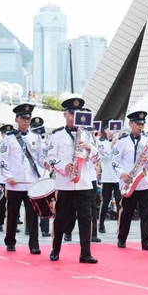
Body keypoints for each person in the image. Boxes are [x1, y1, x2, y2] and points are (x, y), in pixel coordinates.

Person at [46, 97, 98, 263]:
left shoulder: (87, 134)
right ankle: (55, 249)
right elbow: (50, 158)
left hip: (84, 182)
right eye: (71, 114)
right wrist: (63, 166)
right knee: (60, 217)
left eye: (77, 114)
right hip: (64, 183)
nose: (74, 117)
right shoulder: (57, 135)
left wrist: (89, 148)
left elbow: (97, 156)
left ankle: (86, 253)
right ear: (65, 115)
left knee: (85, 218)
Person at [0, 104, 47, 254]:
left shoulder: (35, 137)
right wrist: (8, 176)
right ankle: (10, 241)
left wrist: (44, 163)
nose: (26, 121)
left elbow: (39, 157)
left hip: (31, 182)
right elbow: (2, 159)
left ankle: (34, 244)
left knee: (33, 214)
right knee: (12, 213)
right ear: (16, 120)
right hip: (15, 183)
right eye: (23, 119)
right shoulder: (9, 138)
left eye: (28, 118)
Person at [111, 111, 148, 250]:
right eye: (137, 124)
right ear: (130, 124)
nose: (140, 127)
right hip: (129, 182)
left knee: (147, 213)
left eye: (142, 124)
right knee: (126, 213)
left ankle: (147, 241)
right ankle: (122, 238)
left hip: (146, 182)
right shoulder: (121, 142)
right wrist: (122, 174)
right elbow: (115, 161)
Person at [97, 122, 121, 233]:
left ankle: (120, 225)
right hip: (107, 177)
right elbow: (104, 157)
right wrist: (111, 146)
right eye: (110, 129)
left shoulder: (121, 142)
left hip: (119, 177)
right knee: (105, 202)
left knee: (120, 202)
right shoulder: (102, 143)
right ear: (106, 130)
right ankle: (101, 224)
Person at [0, 124, 14, 233]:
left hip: (12, 178)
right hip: (1, 178)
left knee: (12, 204)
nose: (7, 135)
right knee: (1, 203)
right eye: (5, 133)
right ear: (2, 135)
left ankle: (11, 224)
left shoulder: (15, 144)